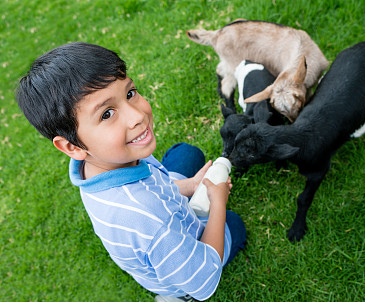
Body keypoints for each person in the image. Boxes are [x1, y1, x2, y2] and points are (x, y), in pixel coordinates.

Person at [17, 42, 246, 301]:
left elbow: (155, 185)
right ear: (72, 146)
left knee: (187, 154)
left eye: (129, 94)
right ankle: (177, 298)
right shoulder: (146, 217)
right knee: (233, 225)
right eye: (107, 114)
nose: (136, 116)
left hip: (159, 216)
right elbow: (204, 279)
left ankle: (189, 195)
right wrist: (218, 203)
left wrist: (192, 185)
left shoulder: (100, 164)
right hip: (179, 268)